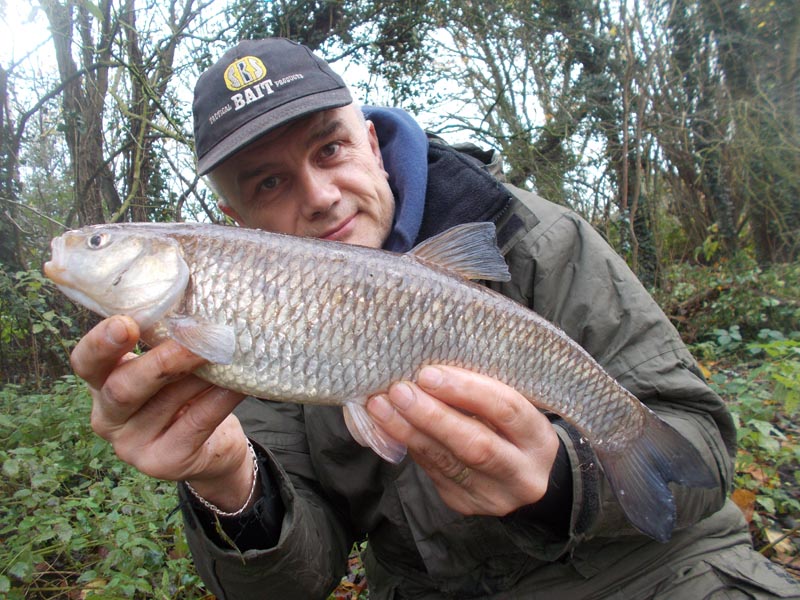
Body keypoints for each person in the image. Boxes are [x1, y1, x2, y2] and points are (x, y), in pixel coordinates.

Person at [70, 38, 800, 599]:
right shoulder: (226, 326)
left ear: (372, 141)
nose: (321, 196)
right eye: (270, 181)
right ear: (234, 217)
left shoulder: (540, 241)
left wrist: (561, 481)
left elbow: (700, 464)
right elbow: (297, 577)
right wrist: (229, 483)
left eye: (330, 148)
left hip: (655, 577)